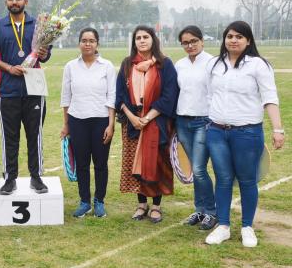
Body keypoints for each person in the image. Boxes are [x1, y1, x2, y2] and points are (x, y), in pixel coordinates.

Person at [204, 21, 284, 248]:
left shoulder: (258, 65)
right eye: (230, 36)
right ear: (224, 39)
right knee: (223, 179)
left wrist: (277, 130)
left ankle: (247, 227)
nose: (234, 40)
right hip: (217, 131)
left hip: (248, 133)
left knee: (248, 180)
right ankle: (224, 226)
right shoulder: (214, 65)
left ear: (248, 40)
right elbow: (210, 96)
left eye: (239, 36)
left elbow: (270, 98)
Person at [0, 0, 52, 195]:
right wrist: (8, 68)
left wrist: (42, 54)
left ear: (25, 1)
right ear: (6, 2)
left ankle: (36, 177)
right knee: (9, 137)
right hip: (7, 91)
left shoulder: (38, 25)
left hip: (34, 90)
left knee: (35, 135)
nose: (15, 2)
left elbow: (47, 54)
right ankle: (10, 178)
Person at [115, 25, 178, 223]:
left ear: (153, 40)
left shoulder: (164, 64)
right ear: (134, 42)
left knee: (157, 162)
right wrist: (133, 117)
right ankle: (141, 204)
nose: (142, 40)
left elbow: (169, 95)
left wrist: (148, 118)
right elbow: (119, 96)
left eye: (146, 37)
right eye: (138, 38)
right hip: (132, 124)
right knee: (137, 163)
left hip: (156, 122)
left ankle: (157, 206)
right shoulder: (127, 65)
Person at [60, 27, 116, 218]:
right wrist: (66, 124)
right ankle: (84, 201)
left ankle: (99, 201)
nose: (87, 44)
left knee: (100, 164)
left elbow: (112, 96)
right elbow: (66, 97)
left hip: (101, 121)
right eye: (84, 40)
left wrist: (111, 124)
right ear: (79, 43)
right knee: (82, 164)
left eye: (91, 41)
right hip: (77, 121)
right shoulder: (70, 66)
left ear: (97, 43)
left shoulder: (107, 66)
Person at [175, 25, 217, 230]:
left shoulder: (212, 63)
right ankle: (199, 210)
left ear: (202, 41)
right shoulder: (179, 65)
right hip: (182, 121)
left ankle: (211, 212)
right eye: (185, 42)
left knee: (199, 169)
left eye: (193, 41)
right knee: (194, 167)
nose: (190, 45)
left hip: (204, 121)